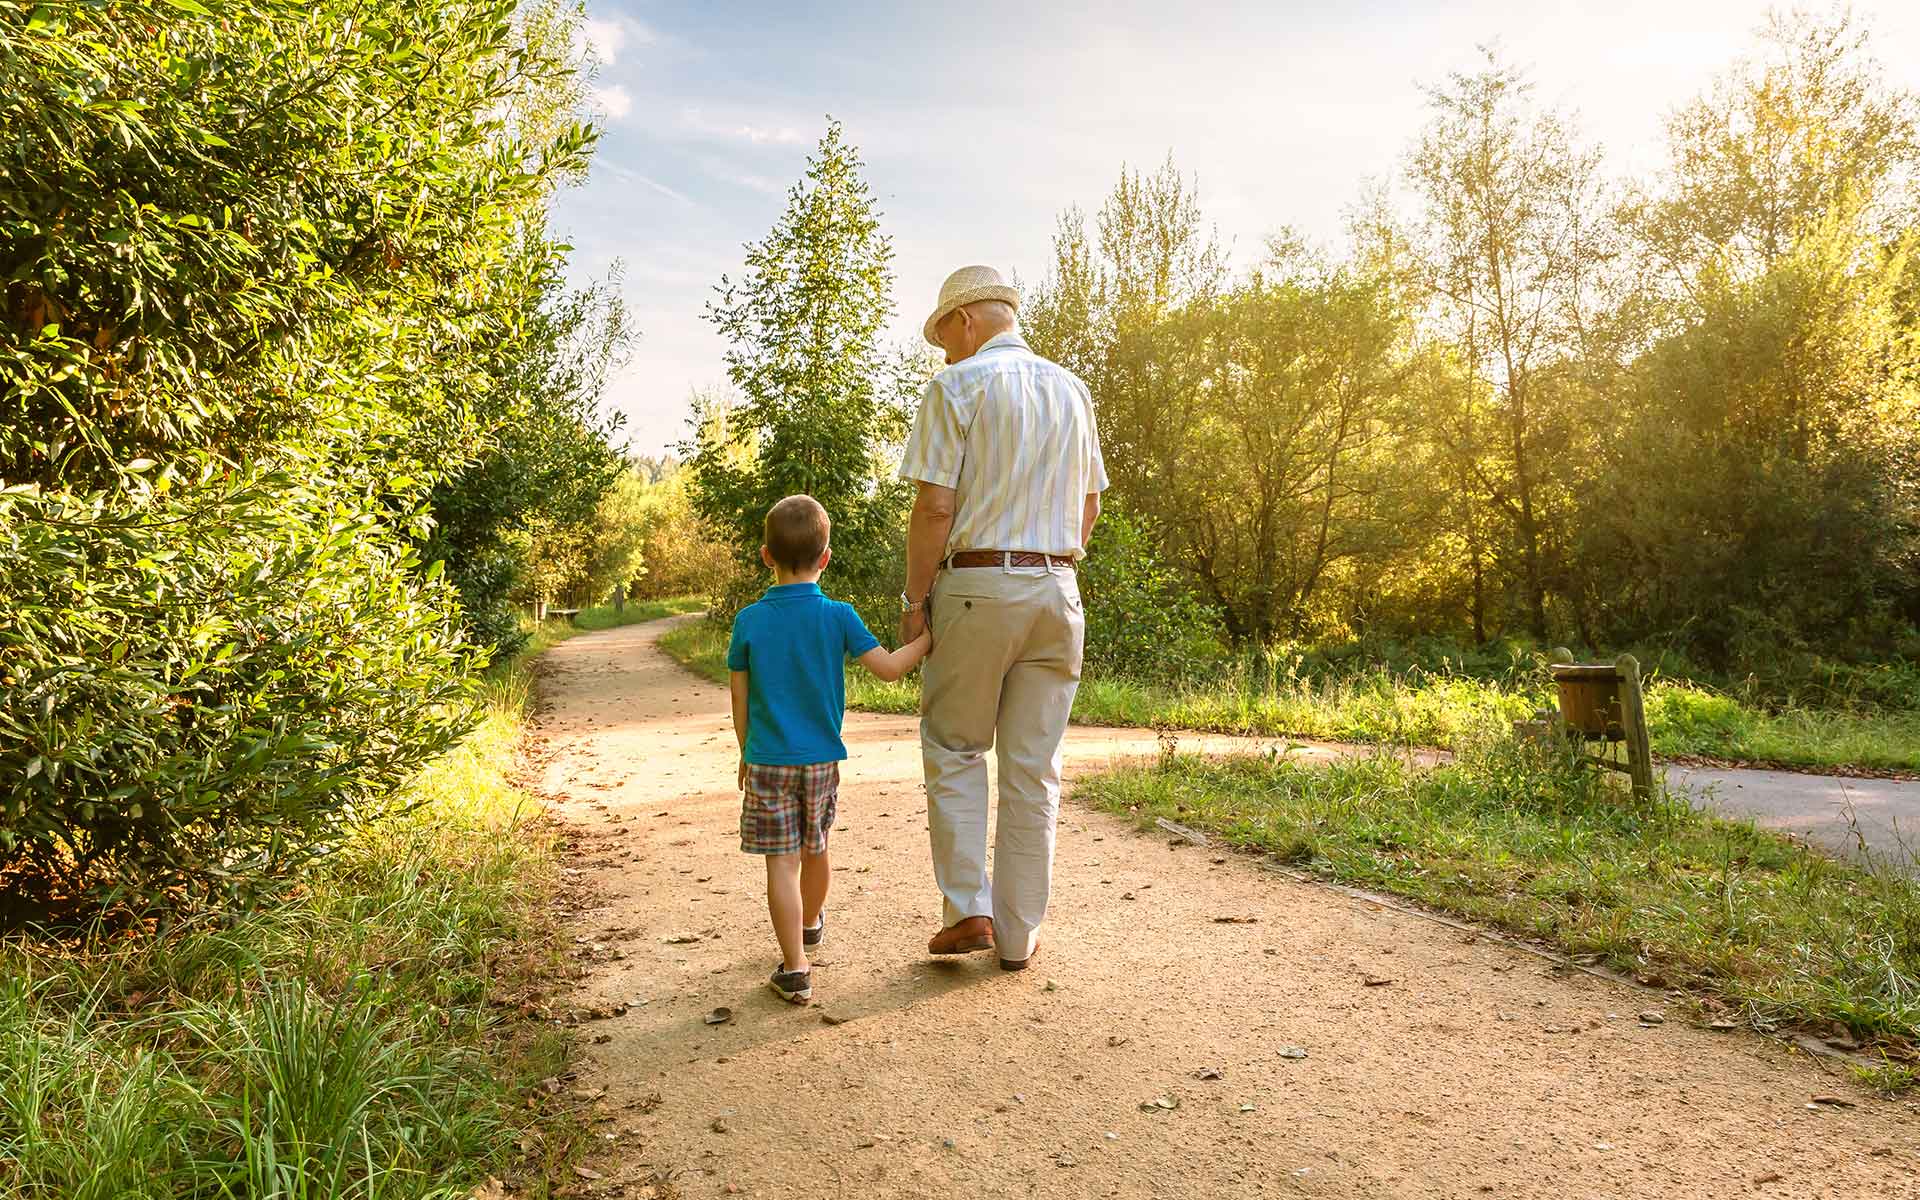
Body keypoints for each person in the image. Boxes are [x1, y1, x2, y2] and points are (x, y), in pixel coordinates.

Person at [897, 265, 1108, 972]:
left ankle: (968, 911)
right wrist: (1054, 559)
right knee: (1032, 768)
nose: (944, 353)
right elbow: (1090, 507)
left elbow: (934, 507)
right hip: (1059, 589)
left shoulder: (958, 386)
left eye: (944, 338)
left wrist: (913, 600)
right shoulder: (1073, 390)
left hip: (978, 586)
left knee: (956, 747)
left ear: (966, 322)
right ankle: (1019, 937)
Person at [728, 495, 932, 1002]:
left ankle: (795, 968)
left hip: (769, 759)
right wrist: (929, 639)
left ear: (766, 556)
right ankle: (812, 921)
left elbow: (740, 697)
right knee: (815, 846)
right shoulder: (838, 615)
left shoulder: (749, 621)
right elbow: (888, 668)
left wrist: (745, 750)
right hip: (821, 759)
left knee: (781, 861)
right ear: (826, 557)